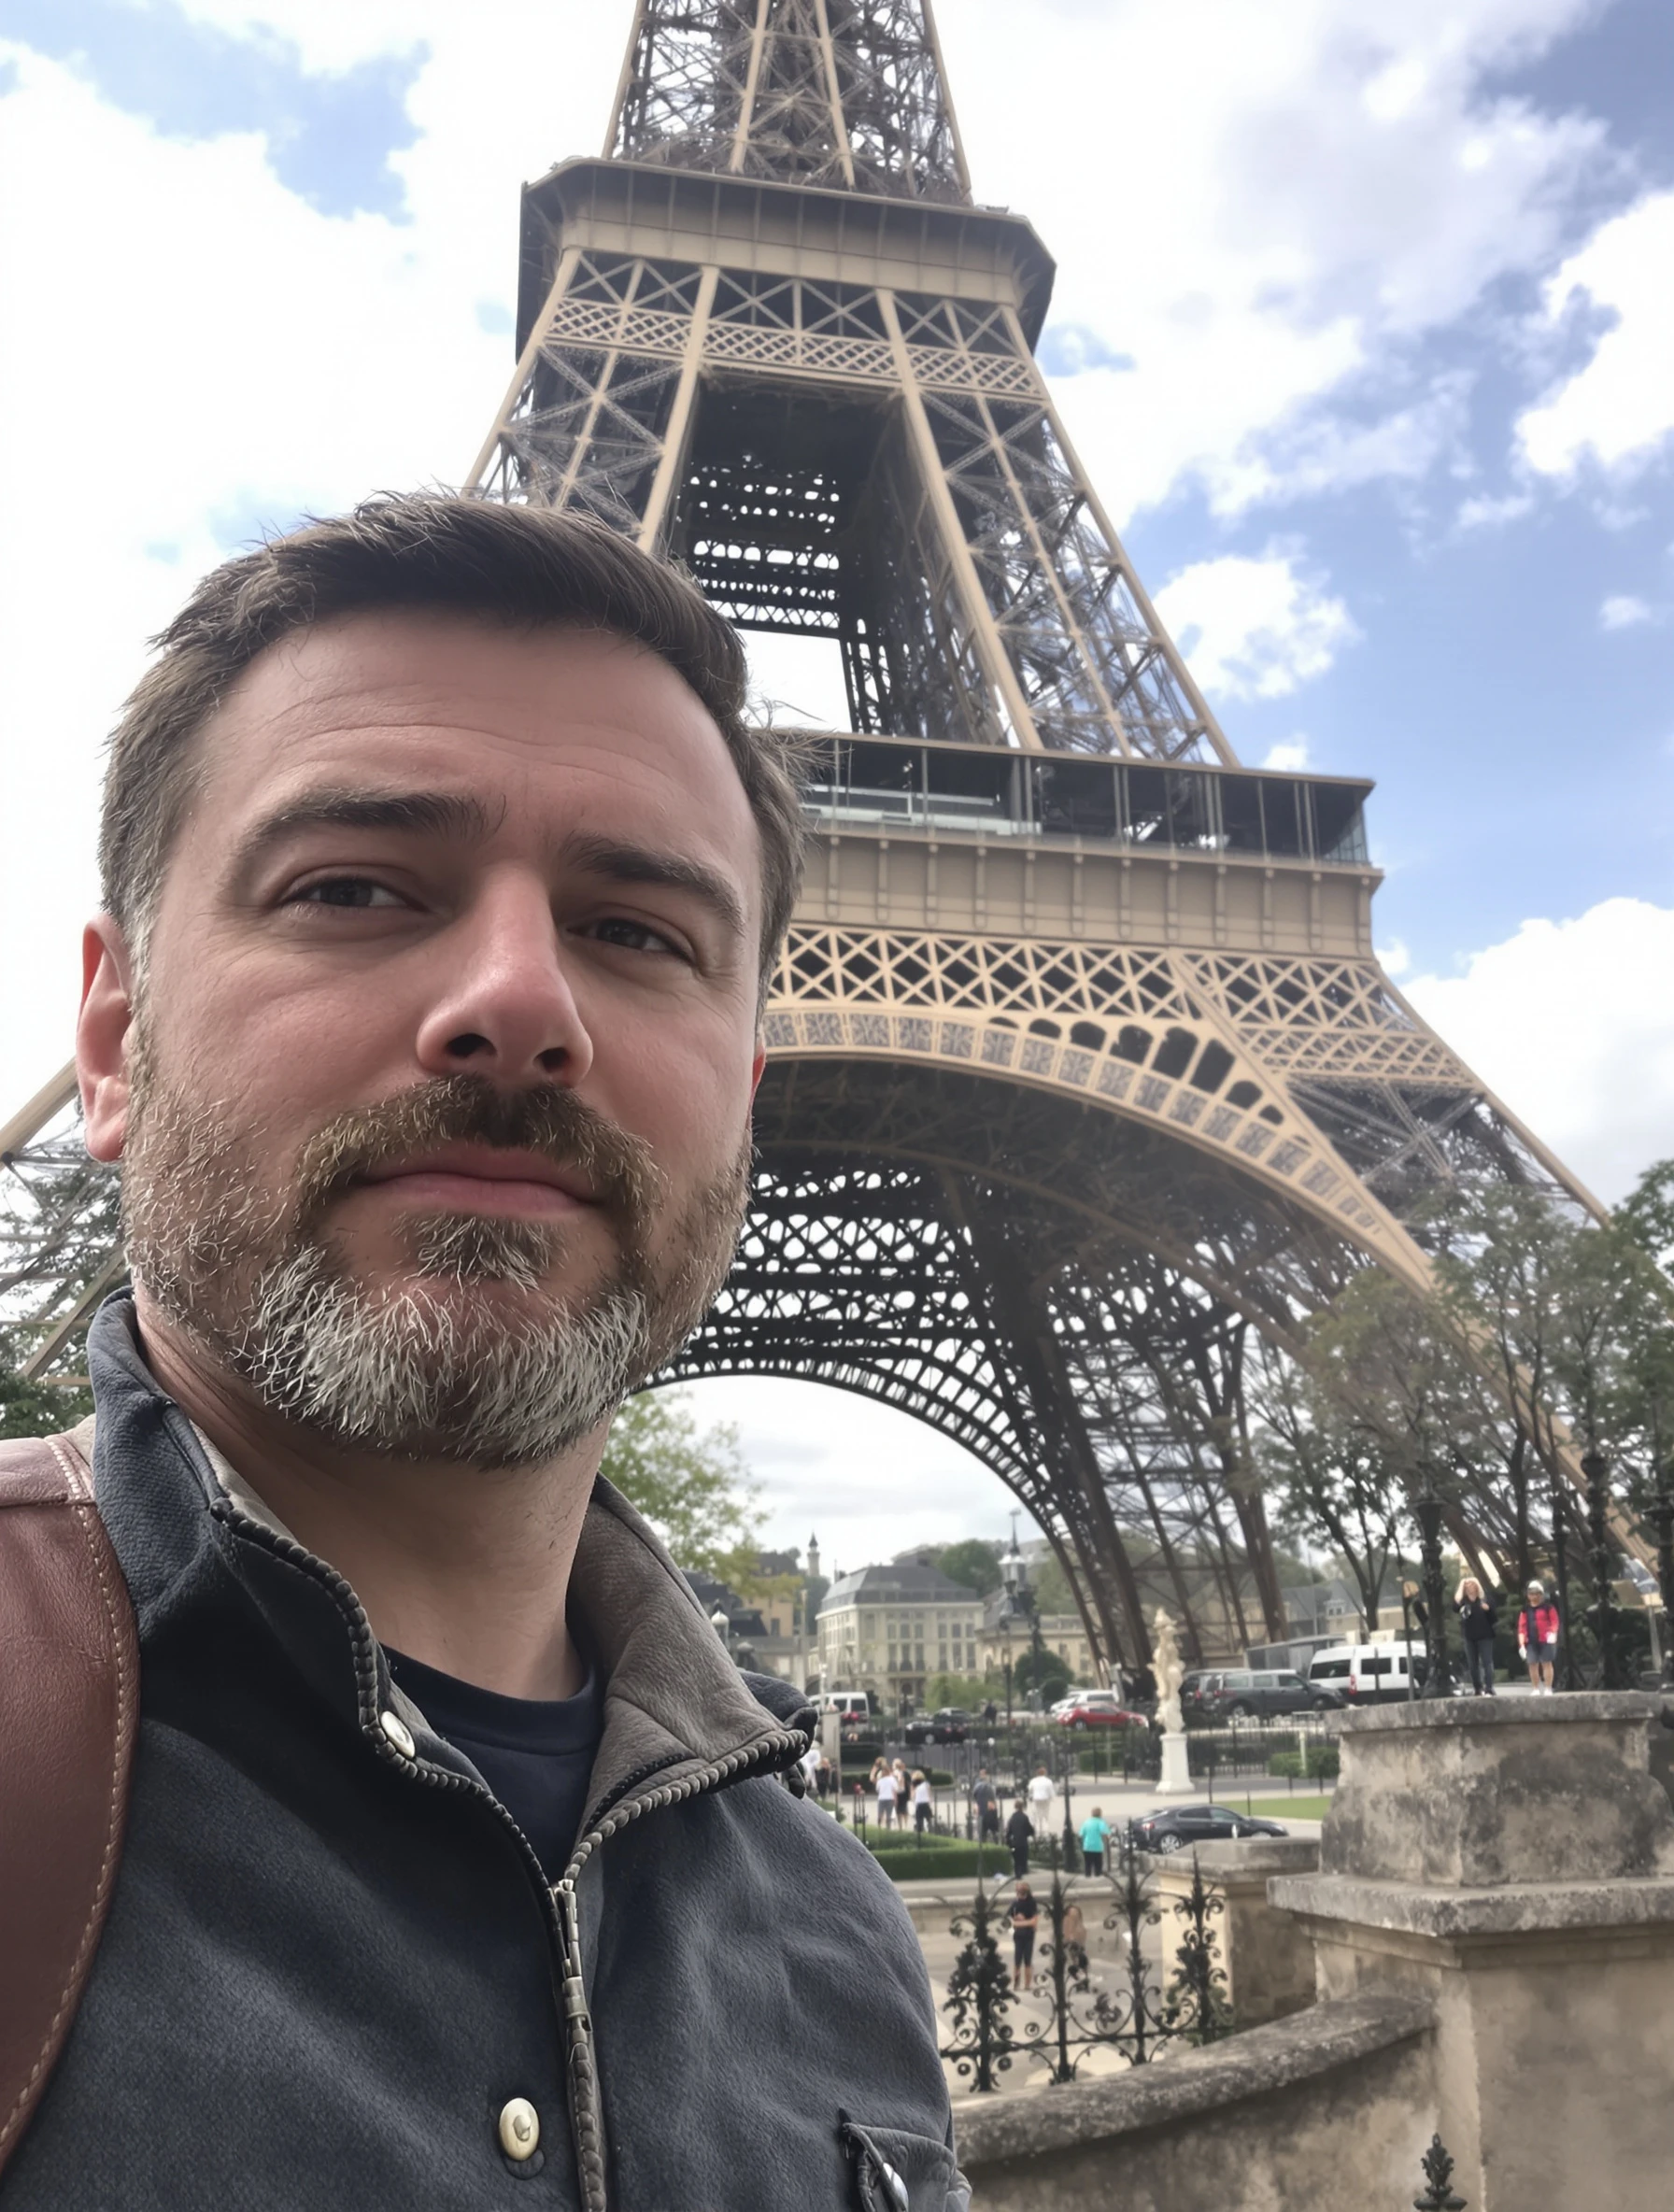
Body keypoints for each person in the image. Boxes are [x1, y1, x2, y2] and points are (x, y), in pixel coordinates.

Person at [0, 495, 961, 2207]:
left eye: (638, 931)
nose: (521, 1001)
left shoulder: (840, 1944)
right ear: (114, 1034)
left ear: (740, 1090)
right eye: (356, 886)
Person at [1455, 1576, 1498, 1695]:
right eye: (1467, 1586)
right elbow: (1455, 1605)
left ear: (1477, 1586)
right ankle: (1477, 1688)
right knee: (1472, 1664)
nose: (1469, 1588)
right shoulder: (1464, 1601)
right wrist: (1461, 1584)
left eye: (1472, 1585)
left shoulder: (1485, 1599)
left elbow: (1494, 1618)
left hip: (1485, 1635)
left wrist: (1488, 1609)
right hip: (1469, 1636)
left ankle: (1489, 1687)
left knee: (1487, 1662)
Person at [1519, 1581, 1562, 1693]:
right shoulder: (1525, 1609)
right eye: (1531, 1594)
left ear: (1541, 1594)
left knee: (1546, 1663)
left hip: (1546, 1639)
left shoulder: (1548, 1607)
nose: (1534, 1596)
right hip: (1531, 1640)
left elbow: (1555, 1621)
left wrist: (1552, 1633)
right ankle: (1535, 1688)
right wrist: (1521, 1644)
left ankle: (1548, 1687)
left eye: (1536, 1593)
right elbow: (1521, 1627)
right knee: (1532, 1664)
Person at [1008, 1881, 1040, 1992]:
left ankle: (1027, 1984)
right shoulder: (1015, 1904)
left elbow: (1034, 1922)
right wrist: (1019, 1922)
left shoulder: (1031, 1903)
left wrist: (1019, 1922)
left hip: (1028, 1935)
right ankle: (1016, 1984)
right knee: (1017, 1960)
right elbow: (1009, 1919)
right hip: (1018, 1936)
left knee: (1027, 1960)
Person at [1004, 1797, 1034, 1881]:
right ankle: (1022, 1873)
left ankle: (1018, 1874)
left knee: (1016, 1859)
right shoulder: (1025, 1817)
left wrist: (1008, 1842)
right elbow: (1030, 1830)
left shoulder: (1012, 1818)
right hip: (1023, 1843)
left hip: (1015, 1844)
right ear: (1022, 1807)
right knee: (1023, 1859)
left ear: (1015, 1807)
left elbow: (1008, 1831)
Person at [1079, 1805, 1111, 1877]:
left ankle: (1088, 1876)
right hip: (1097, 1847)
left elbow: (1081, 1835)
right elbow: (1105, 1834)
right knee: (1098, 1865)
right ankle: (1097, 1875)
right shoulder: (1101, 1822)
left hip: (1087, 1847)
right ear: (1100, 1814)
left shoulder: (1086, 1822)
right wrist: (1106, 1842)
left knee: (1088, 1864)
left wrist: (1082, 1844)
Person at [971, 1767, 1000, 1843]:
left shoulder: (981, 1786)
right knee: (990, 1832)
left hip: (984, 1812)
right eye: (982, 1774)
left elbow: (974, 1799)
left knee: (984, 1833)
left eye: (984, 1774)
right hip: (986, 1812)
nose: (983, 1775)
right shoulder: (984, 1786)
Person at [875, 1763, 899, 1829]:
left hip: (882, 1798)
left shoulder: (880, 1781)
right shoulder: (892, 1779)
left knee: (880, 1814)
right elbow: (894, 1790)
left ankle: (879, 1827)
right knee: (889, 1814)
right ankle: (888, 1828)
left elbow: (878, 1790)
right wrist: (896, 1800)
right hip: (890, 1798)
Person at [912, 1770, 932, 1835]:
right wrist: (930, 1802)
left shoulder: (914, 1785)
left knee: (919, 1820)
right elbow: (929, 1794)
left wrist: (914, 1802)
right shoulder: (926, 1784)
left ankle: (920, 1833)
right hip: (925, 1803)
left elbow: (912, 1795)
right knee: (928, 1819)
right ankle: (930, 1831)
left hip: (919, 1803)